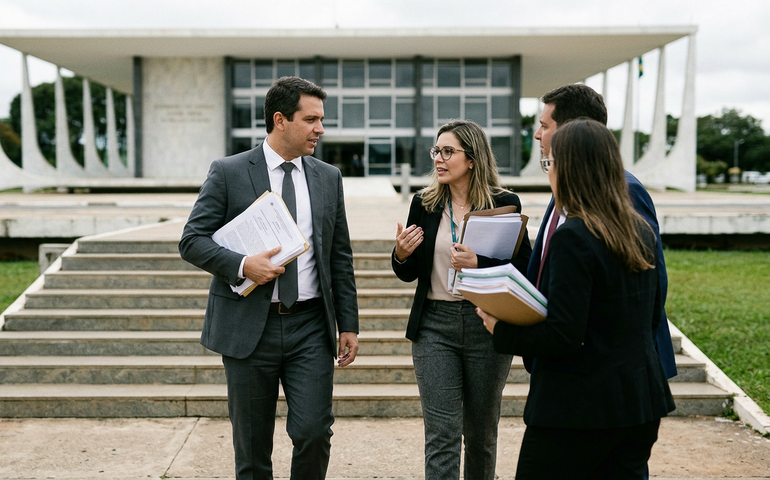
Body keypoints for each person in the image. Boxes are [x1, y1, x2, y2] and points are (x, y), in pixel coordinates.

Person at [179, 76, 359, 480]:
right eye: (311, 120)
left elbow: (339, 256)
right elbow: (191, 241)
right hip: (248, 327)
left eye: (321, 119)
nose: (320, 129)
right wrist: (243, 265)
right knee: (252, 447)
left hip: (310, 326)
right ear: (280, 120)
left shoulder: (328, 177)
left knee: (314, 432)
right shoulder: (229, 172)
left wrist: (348, 324)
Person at [477, 118, 676, 479]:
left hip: (578, 409)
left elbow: (564, 335)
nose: (549, 172)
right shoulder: (639, 230)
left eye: (550, 163)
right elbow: (648, 312)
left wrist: (500, 328)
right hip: (640, 401)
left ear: (568, 169)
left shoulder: (574, 236)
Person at [391, 120, 532, 480]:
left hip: (487, 323)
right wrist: (401, 254)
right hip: (434, 327)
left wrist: (479, 262)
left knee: (481, 434)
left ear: (471, 158)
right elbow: (408, 273)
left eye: (447, 151)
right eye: (436, 151)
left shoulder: (505, 203)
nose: (438, 158)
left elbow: (524, 267)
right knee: (442, 435)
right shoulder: (423, 204)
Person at [527, 84, 677, 379]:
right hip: (560, 359)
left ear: (570, 130)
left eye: (544, 126)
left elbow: (651, 280)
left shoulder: (625, 190)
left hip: (608, 370)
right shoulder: (565, 185)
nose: (537, 135)